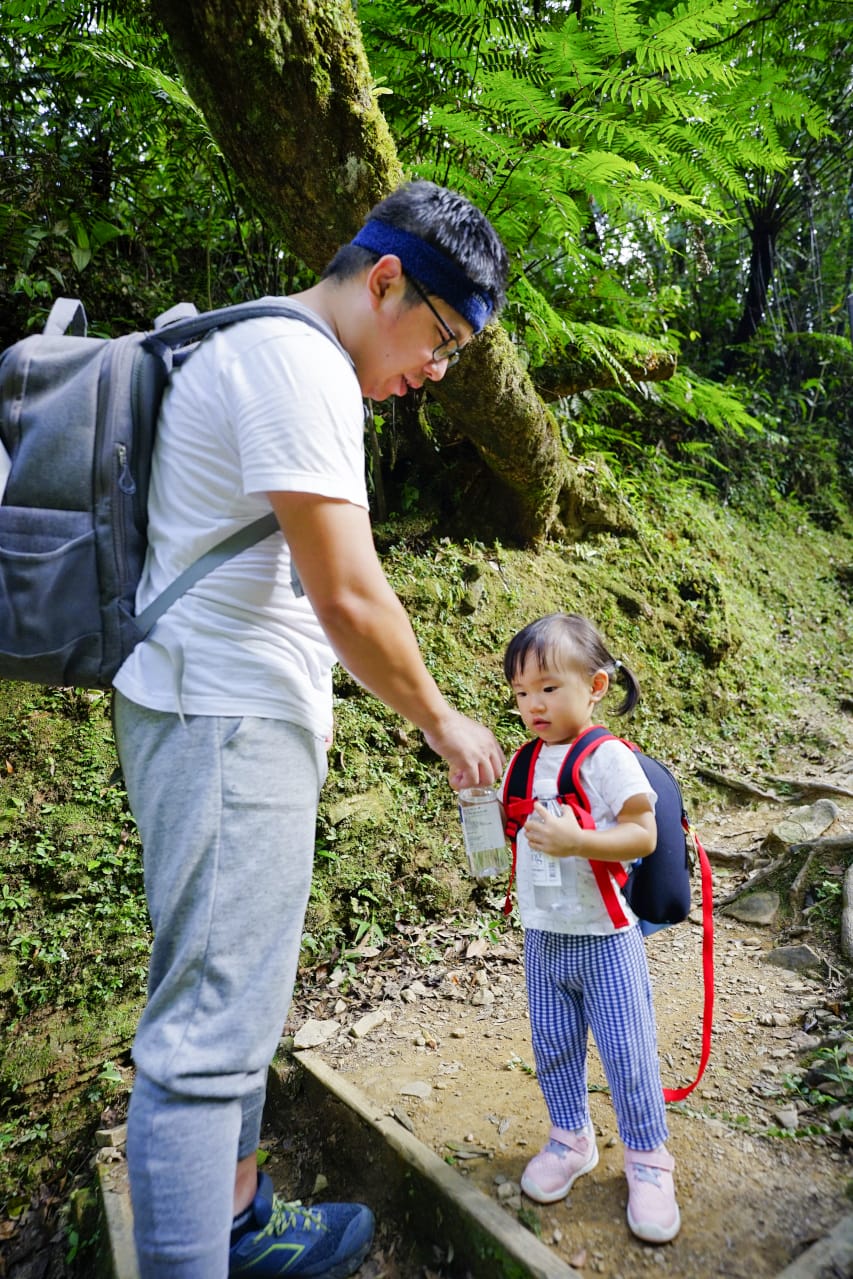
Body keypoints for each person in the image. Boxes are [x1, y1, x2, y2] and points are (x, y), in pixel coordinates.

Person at [110, 179, 509, 1279]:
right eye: (443, 339)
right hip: (224, 718)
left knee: (236, 1002)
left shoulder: (253, 343)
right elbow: (349, 595)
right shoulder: (299, 366)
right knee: (205, 1040)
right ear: (386, 281)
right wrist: (442, 719)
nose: (438, 371)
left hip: (214, 710)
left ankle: (240, 1228)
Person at [499, 612, 681, 1244]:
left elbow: (642, 833)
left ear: (596, 686)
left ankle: (649, 1158)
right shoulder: (524, 760)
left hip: (606, 938)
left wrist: (577, 841)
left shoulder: (607, 757)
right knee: (552, 1046)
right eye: (522, 692)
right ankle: (570, 1138)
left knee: (627, 1053)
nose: (534, 704)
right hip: (543, 936)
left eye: (549, 688)